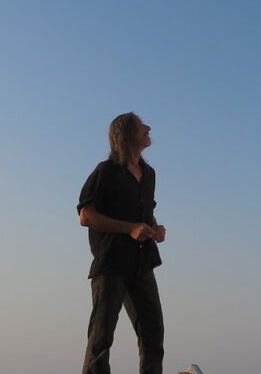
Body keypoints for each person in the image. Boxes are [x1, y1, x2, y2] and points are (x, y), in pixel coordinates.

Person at [78, 112, 167, 374]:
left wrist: (154, 228)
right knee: (101, 340)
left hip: (142, 264)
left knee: (153, 337)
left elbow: (144, 213)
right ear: (127, 136)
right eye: (142, 127)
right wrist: (129, 229)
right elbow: (86, 216)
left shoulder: (149, 174)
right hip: (111, 265)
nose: (149, 128)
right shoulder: (105, 172)